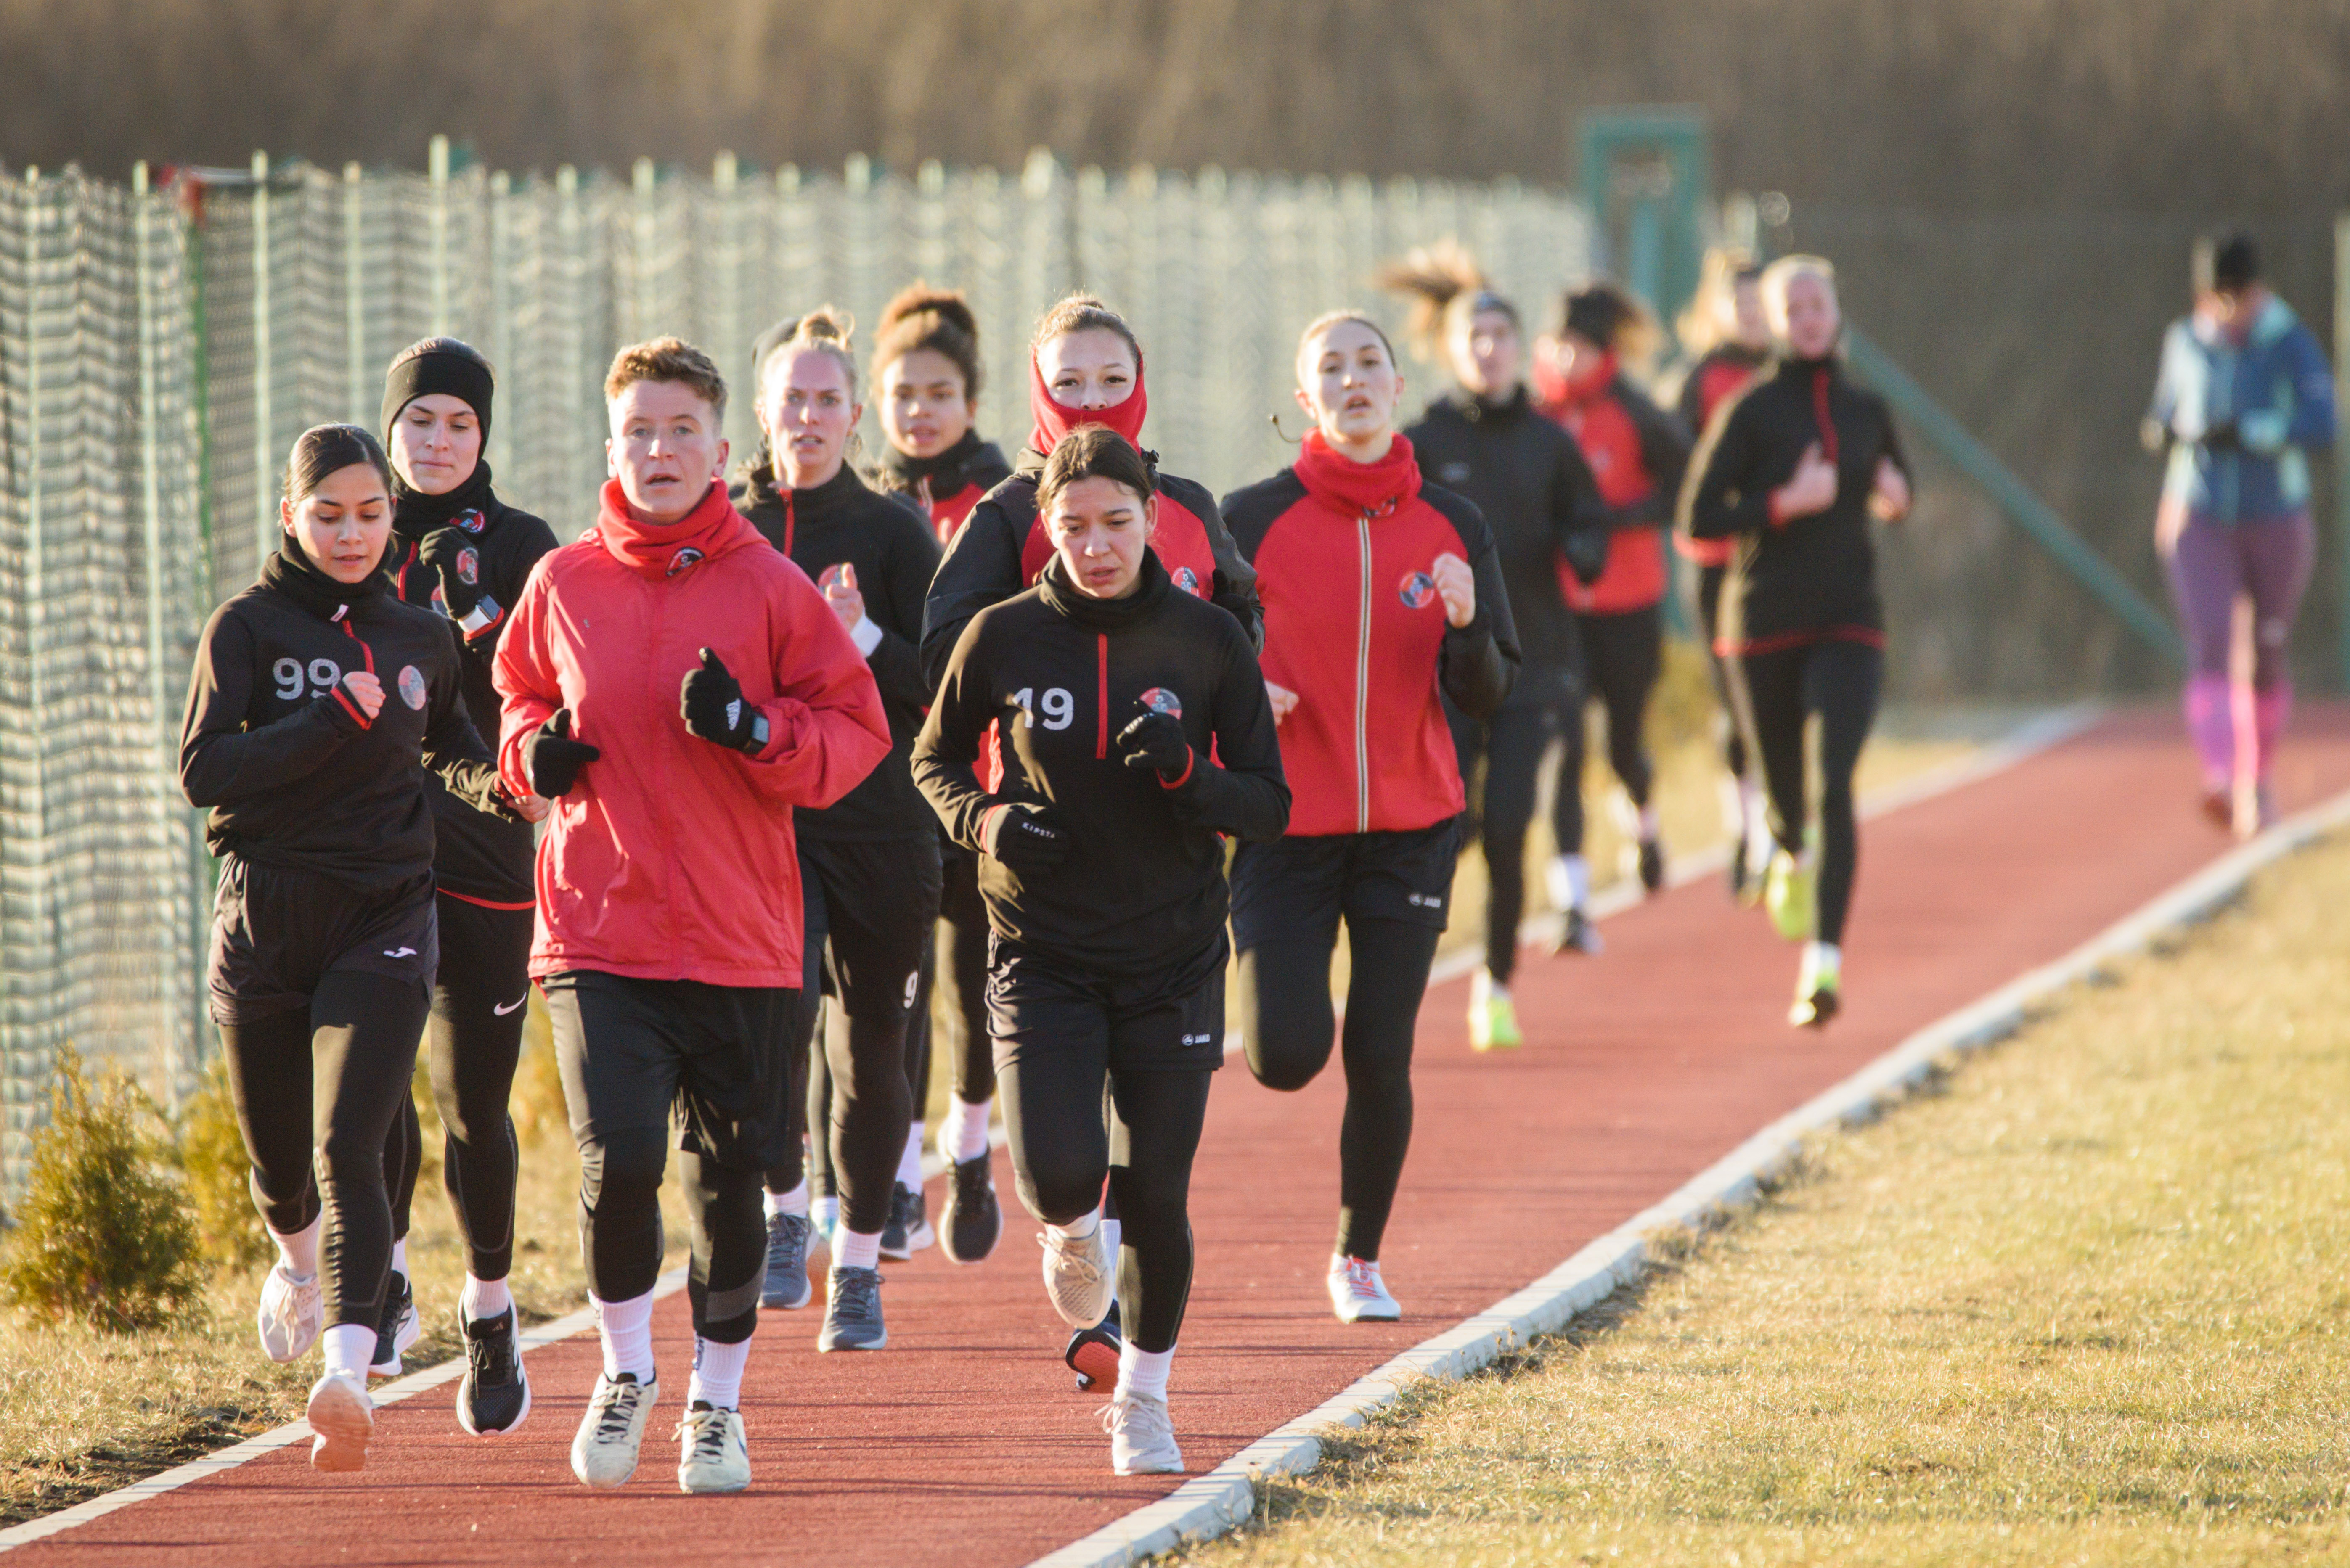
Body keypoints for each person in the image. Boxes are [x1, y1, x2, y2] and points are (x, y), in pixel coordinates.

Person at [494, 337, 890, 1494]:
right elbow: (516, 694)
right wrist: (531, 755)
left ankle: (716, 1402)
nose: (658, 451)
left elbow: (855, 731)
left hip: (739, 936)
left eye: (680, 432)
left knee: (731, 1179)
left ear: (722, 451)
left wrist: (757, 730)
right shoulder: (562, 582)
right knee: (619, 1160)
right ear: (609, 445)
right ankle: (627, 1370)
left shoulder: (769, 585)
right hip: (598, 927)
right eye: (639, 431)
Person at [913, 426, 1289, 1475]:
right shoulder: (1000, 634)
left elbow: (1268, 803)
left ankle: (1144, 1399)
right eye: (1073, 526)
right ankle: (1071, 1227)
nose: (1096, 544)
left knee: (1159, 1193)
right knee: (1060, 1173)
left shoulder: (1208, 639)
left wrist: (1188, 775)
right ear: (1046, 530)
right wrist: (987, 820)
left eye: (1117, 522)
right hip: (1042, 948)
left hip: (1174, 952)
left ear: (1153, 519)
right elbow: (932, 759)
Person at [182, 423, 522, 1473]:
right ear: (291, 515)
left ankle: (347, 1373)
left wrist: (502, 787)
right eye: (328, 514)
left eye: (370, 514)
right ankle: (296, 1261)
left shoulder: (419, 635)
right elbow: (204, 771)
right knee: (283, 1169)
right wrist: (327, 721)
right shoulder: (246, 626)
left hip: (385, 916)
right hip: (265, 918)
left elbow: (453, 745)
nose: (350, 533)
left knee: (351, 1144)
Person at [1223, 312, 1518, 1321]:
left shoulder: (1454, 524)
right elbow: (1199, 647)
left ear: (1397, 386)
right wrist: (1241, 693)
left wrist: (1467, 623)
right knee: (1285, 1053)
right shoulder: (1249, 519)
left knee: (1381, 1047)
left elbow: (1490, 688)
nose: (1352, 380)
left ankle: (1358, 1256)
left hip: (1411, 823)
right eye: (1331, 368)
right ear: (1304, 398)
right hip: (1285, 825)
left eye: (1368, 364)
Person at [735, 308, 943, 1349]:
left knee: (869, 1051)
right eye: (792, 398)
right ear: (762, 409)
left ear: (855, 415)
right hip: (763, 825)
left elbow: (944, 687)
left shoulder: (895, 532)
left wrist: (862, 636)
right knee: (777, 1023)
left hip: (882, 828)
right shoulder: (725, 529)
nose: (809, 417)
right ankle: (785, 1208)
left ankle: (857, 1265)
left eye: (827, 401)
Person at [377, 336, 559, 1433]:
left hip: (486, 854)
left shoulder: (524, 546)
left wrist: (477, 613)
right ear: (389, 426)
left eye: (459, 423)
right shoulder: (350, 529)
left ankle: (490, 1306)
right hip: (363, 858)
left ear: (483, 435)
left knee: (471, 1103)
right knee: (368, 1086)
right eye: (419, 420)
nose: (437, 441)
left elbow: (549, 688)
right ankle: (386, 1271)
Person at [1378, 242, 1606, 1049]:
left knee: (1509, 828)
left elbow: (1589, 521)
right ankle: (1407, 974)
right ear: (1450, 348)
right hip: (1438, 672)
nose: (1488, 349)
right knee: (1449, 828)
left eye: (1501, 335)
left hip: (1532, 665)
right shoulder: (1421, 441)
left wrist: (1583, 546)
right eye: (1473, 337)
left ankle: (1497, 982)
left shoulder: (1551, 442)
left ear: (1520, 347)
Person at [1681, 256, 1912, 1029]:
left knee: (1834, 781)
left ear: (1837, 313)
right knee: (1787, 804)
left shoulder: (1867, 408)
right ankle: (1786, 846)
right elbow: (1696, 517)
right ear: (1775, 322)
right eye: (1795, 307)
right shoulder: (1748, 411)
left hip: (1850, 619)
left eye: (1820, 304)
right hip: (1763, 627)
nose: (1810, 317)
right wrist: (1784, 502)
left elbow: (1898, 484)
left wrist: (1896, 497)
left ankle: (1824, 963)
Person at [867, 284, 1013, 1267]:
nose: (919, 410)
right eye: (902, 393)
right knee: (897, 988)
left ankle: (967, 1148)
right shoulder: (863, 501)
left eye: (939, 393)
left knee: (970, 980)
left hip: (982, 777)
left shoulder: (1003, 500)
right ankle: (897, 1172)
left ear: (972, 398)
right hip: (886, 783)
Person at [2143, 231, 2337, 837]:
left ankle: (2259, 776)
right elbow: (2165, 408)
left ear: (2259, 292)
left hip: (2275, 514)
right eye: (2216, 298)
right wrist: (2161, 431)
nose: (2227, 311)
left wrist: (2255, 432)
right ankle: (2222, 778)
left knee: (2266, 653)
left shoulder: (2290, 343)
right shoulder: (2185, 341)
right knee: (2211, 639)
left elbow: (2322, 423)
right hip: (2199, 513)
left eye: (2237, 297)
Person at [1533, 283, 1691, 906]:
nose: (1568, 358)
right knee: (1564, 745)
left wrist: (1619, 518)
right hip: (1557, 608)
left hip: (1629, 603)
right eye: (1559, 345)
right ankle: (1571, 896)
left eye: (1581, 347)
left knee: (1624, 747)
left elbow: (1683, 488)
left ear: (1605, 353)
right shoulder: (1533, 415)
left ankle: (1644, 828)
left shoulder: (1636, 414)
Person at [1669, 250, 1775, 898]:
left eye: (1761, 301)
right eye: (1740, 301)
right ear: (1717, 308)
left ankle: (1779, 826)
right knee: (1735, 702)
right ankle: (1746, 830)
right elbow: (1676, 470)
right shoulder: (1699, 379)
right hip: (1717, 565)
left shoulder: (1790, 372)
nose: (1752, 313)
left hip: (1781, 560)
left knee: (1777, 698)